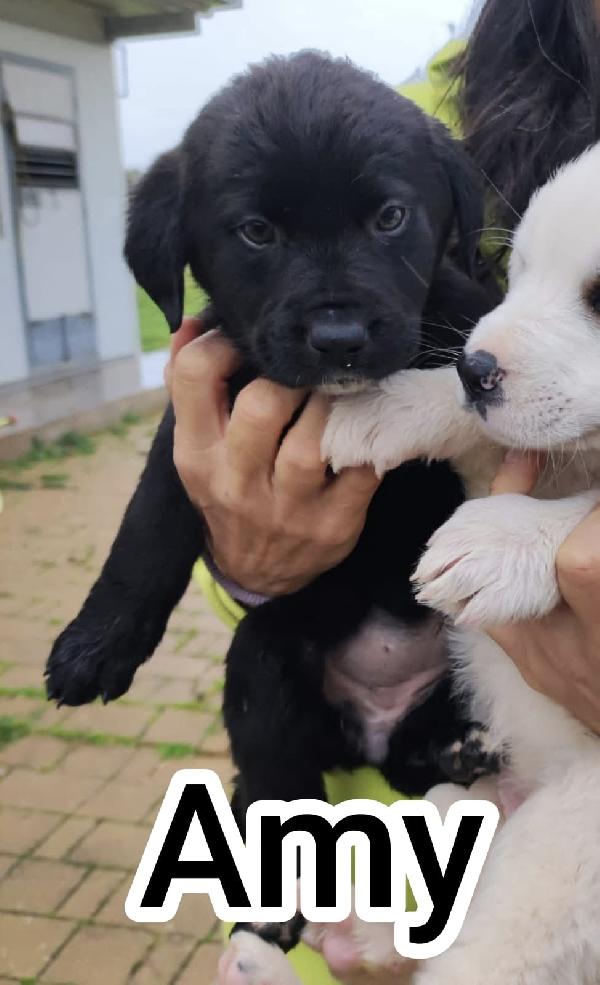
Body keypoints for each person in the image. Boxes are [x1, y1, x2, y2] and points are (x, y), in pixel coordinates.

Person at [166, 0, 600, 978]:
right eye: (510, 264)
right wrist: (250, 564)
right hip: (400, 846)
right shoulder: (398, 121)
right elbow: (248, 494)